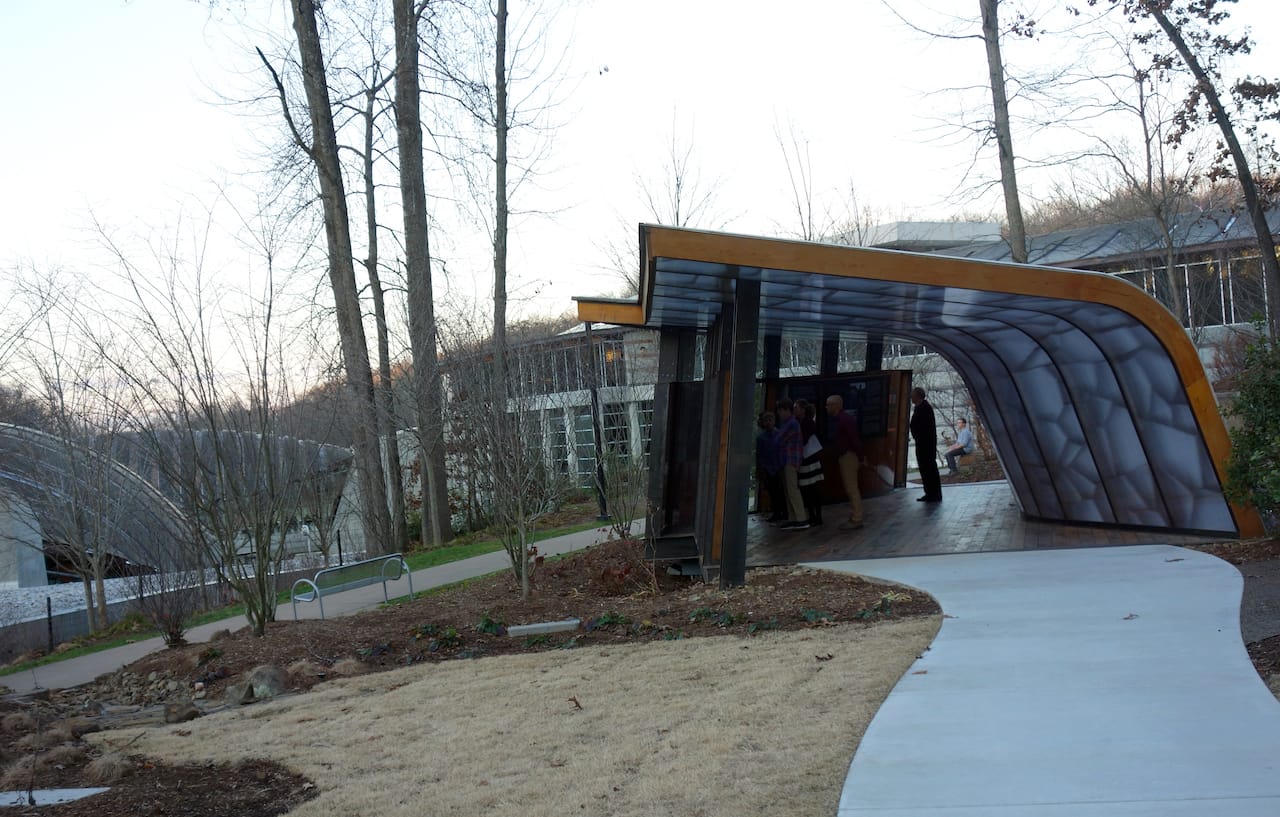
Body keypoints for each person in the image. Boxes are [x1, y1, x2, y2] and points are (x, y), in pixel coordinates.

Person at [825, 394, 864, 530]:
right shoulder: (841, 419)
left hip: (848, 455)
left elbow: (854, 439)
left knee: (851, 487)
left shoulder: (844, 420)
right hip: (846, 455)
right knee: (850, 487)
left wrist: (860, 457)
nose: (826, 407)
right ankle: (855, 515)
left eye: (829, 404)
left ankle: (857, 518)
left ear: (837, 405)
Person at [774, 398, 809, 529]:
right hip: (787, 460)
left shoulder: (791, 423)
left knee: (792, 489)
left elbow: (778, 440)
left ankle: (801, 518)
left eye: (781, 411)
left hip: (790, 459)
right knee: (789, 490)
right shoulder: (790, 423)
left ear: (787, 410)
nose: (779, 414)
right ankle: (793, 518)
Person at [794, 398, 825, 526]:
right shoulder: (802, 422)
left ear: (802, 409)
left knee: (811, 488)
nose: (794, 410)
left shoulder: (806, 423)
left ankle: (816, 515)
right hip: (808, 458)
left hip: (808, 459)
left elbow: (803, 439)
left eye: (796, 407)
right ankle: (814, 515)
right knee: (809, 488)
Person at [910, 387, 942, 502]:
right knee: (925, 468)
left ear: (918, 396)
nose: (911, 397)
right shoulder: (920, 407)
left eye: (912, 395)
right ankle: (930, 492)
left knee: (929, 468)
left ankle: (933, 493)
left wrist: (917, 434)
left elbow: (923, 427)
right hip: (922, 443)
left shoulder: (924, 408)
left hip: (926, 444)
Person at [755, 412, 785, 523]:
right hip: (767, 468)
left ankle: (783, 512)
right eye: (766, 420)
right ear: (763, 422)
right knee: (772, 491)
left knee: (781, 491)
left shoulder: (779, 434)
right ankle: (776, 512)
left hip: (779, 466)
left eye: (770, 420)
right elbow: (759, 455)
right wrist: (760, 469)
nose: (768, 422)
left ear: (774, 421)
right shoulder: (761, 438)